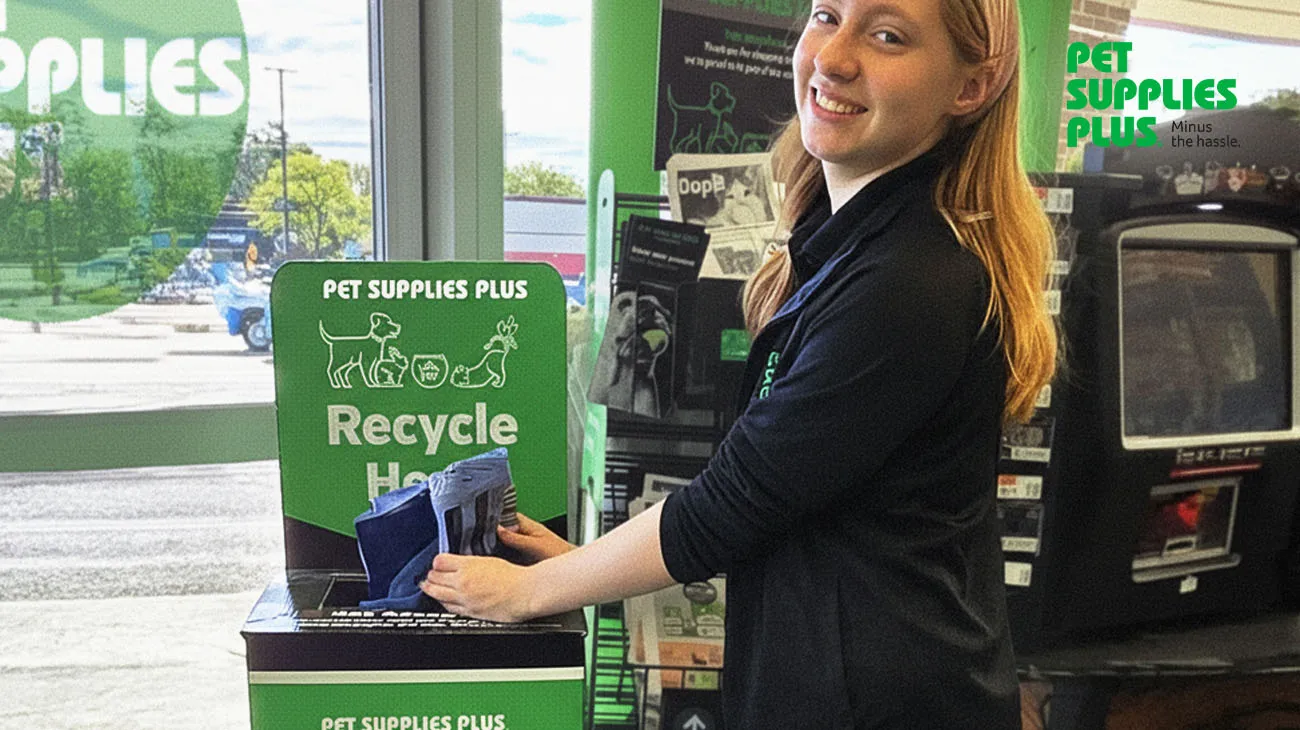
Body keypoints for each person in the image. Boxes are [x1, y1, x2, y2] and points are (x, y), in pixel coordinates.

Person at [421, 0, 1057, 726]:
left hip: (878, 698)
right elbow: (788, 498)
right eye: (827, 15)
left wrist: (532, 592)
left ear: (970, 87)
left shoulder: (911, 282)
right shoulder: (850, 245)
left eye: (887, 35)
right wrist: (575, 567)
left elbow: (734, 503)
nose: (834, 57)